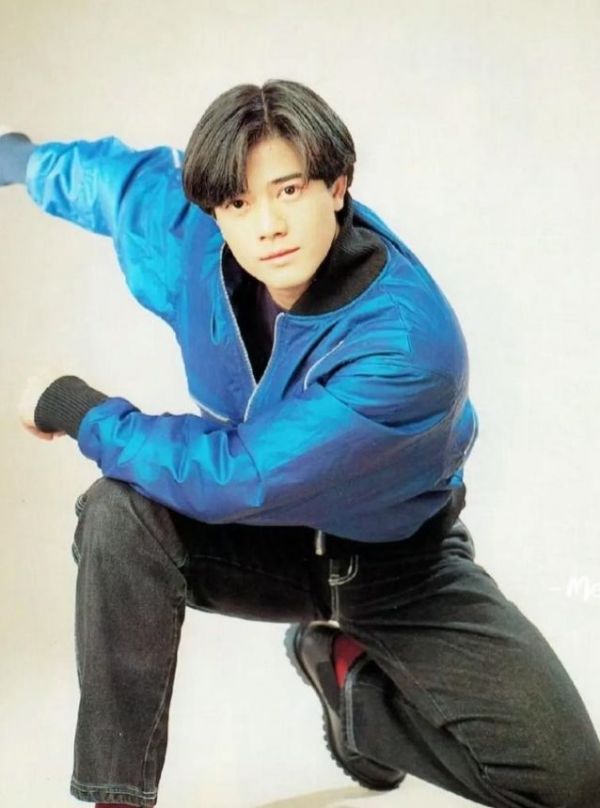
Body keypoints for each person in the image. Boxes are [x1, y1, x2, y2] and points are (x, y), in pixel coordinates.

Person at [4, 79, 600, 807]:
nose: (268, 226)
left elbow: (239, 473)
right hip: (264, 546)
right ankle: (116, 799)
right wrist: (17, 160)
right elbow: (114, 183)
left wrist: (78, 409)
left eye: (288, 190)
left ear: (337, 186)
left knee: (573, 788)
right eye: (239, 203)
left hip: (398, 565)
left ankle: (350, 683)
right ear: (215, 211)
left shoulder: (408, 347)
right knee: (118, 510)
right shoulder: (194, 238)